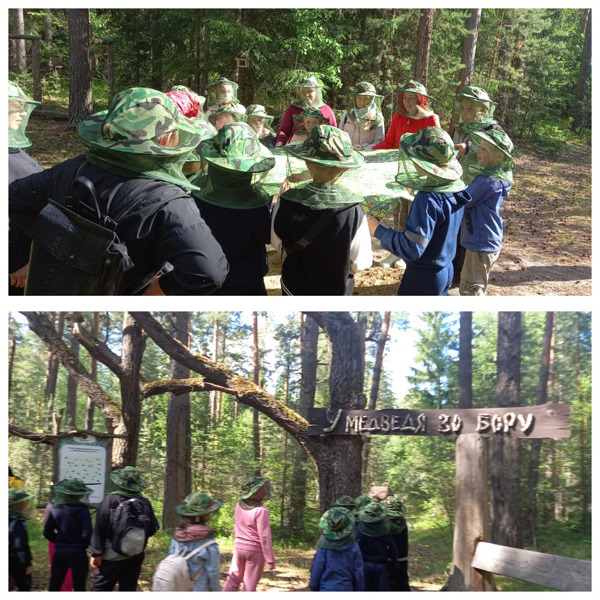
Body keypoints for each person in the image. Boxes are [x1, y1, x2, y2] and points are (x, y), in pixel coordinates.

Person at [9, 87, 229, 296]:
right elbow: (209, 271)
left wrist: (58, 242)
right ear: (166, 139)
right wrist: (159, 291)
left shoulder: (71, 168)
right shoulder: (169, 202)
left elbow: (13, 198)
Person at [367, 127, 471, 295]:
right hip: (445, 269)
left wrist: (377, 229)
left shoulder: (428, 199)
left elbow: (412, 248)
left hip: (424, 276)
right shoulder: (453, 190)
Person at [271, 125, 373, 295]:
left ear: (307, 162)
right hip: (335, 293)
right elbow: (360, 263)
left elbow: (277, 244)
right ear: (345, 167)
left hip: (294, 288)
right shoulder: (354, 210)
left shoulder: (285, 201)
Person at [193, 122, 275, 295]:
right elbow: (267, 236)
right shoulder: (256, 207)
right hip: (248, 280)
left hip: (205, 280)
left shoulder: (195, 199)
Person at [372, 80, 441, 269]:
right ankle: (396, 251)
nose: (409, 102)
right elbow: (389, 142)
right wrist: (369, 150)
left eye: (413, 98)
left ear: (422, 99)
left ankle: (410, 253)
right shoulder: (398, 117)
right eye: (406, 98)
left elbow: (437, 147)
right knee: (399, 210)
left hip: (421, 173)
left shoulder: (431, 119)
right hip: (399, 170)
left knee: (414, 212)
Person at [451, 86, 505, 286]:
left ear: (483, 111)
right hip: (461, 186)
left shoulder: (493, 129)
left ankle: (466, 282)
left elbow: (498, 150)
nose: (463, 113)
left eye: (468, 109)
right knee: (456, 233)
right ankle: (456, 277)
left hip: (479, 192)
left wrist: (470, 148)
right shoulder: (465, 128)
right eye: (462, 108)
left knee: (470, 233)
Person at [459, 129, 514, 296]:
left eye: (484, 149)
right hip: (482, 241)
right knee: (472, 284)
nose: (478, 152)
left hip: (481, 243)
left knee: (471, 289)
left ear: (498, 156)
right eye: (479, 147)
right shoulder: (492, 178)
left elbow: (463, 199)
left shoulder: (488, 181)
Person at [89, 466, 159, 591]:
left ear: (119, 482)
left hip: (110, 556)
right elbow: (153, 527)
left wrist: (96, 553)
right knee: (128, 588)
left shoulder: (110, 500)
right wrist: (135, 539)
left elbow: (100, 528)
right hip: (135, 555)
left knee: (101, 589)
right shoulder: (144, 501)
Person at [8, 80, 44, 295]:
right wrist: (17, 263)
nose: (22, 112)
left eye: (24, 106)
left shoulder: (13, 148)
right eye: (16, 105)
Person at [222, 475, 275, 592]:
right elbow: (264, 536)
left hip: (239, 548)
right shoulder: (261, 510)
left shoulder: (238, 505)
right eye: (262, 489)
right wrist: (270, 558)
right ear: (256, 492)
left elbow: (236, 526)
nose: (265, 490)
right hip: (255, 551)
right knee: (249, 585)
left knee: (233, 580)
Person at [43, 478, 93, 591]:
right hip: (78, 553)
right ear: (80, 495)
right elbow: (87, 533)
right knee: (80, 586)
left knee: (55, 585)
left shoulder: (56, 509)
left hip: (60, 553)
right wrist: (81, 544)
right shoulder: (83, 510)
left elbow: (47, 532)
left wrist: (60, 540)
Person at [169, 492, 222, 591]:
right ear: (204, 515)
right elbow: (213, 572)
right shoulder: (209, 543)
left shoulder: (177, 538)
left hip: (178, 588)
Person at [309, 507, 365, 591]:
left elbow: (317, 568)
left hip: (326, 589)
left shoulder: (323, 545)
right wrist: (360, 589)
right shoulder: (353, 545)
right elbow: (358, 571)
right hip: (347, 588)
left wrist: (313, 586)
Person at [275, 75, 337, 146]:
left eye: (310, 91)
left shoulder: (326, 110)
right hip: (296, 149)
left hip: (320, 150)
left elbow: (334, 131)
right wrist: (280, 142)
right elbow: (284, 130)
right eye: (302, 92)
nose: (306, 94)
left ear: (316, 91)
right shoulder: (292, 109)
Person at [355, 501, 397, 591]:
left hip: (365, 566)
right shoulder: (386, 531)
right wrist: (393, 567)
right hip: (381, 566)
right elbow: (393, 550)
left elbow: (357, 549)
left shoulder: (360, 531)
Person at [339, 81, 385, 148]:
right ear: (355, 98)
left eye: (366, 98)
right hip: (347, 155)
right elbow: (339, 136)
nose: (362, 102)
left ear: (372, 99)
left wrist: (363, 147)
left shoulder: (377, 118)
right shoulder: (347, 115)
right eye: (359, 98)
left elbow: (379, 142)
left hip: (367, 156)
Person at [9, 487, 35, 591]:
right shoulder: (17, 523)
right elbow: (20, 545)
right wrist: (27, 563)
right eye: (22, 502)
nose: (25, 504)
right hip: (16, 562)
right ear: (16, 505)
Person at [385, 496, 410, 591]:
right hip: (403, 558)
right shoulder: (404, 523)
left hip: (389, 559)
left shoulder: (385, 524)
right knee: (402, 580)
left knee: (391, 583)